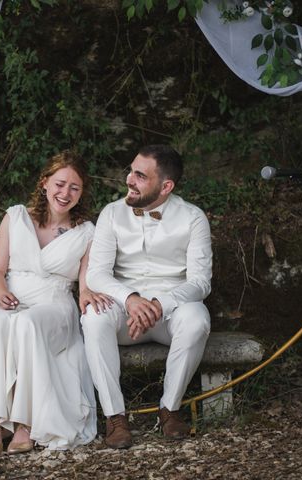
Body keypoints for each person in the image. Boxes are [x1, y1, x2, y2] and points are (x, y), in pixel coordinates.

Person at [0, 150, 112, 454]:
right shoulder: (16, 216)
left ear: (82, 193)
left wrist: (88, 295)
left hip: (54, 303)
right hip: (11, 293)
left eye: (75, 188)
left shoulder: (87, 232)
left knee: (27, 323)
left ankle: (25, 425)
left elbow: (84, 284)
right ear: (44, 182)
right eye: (60, 184)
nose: (65, 193)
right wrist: (0, 292)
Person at [81, 144, 212, 448]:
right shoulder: (112, 213)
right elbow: (97, 274)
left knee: (197, 319)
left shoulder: (193, 218)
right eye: (131, 171)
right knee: (93, 318)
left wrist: (158, 304)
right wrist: (130, 299)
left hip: (169, 313)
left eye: (140, 176)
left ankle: (170, 409)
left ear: (166, 186)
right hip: (124, 312)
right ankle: (115, 418)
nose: (129, 179)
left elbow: (200, 282)